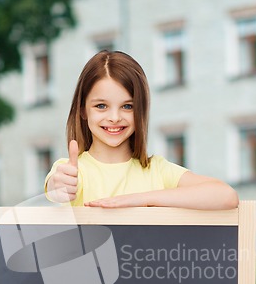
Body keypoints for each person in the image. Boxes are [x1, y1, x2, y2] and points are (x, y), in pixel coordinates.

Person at [45, 50, 239, 210]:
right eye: (101, 106)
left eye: (127, 106)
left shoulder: (157, 171)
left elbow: (226, 196)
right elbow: (56, 187)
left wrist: (139, 199)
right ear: (82, 110)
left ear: (141, 110)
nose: (114, 117)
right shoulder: (71, 170)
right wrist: (60, 186)